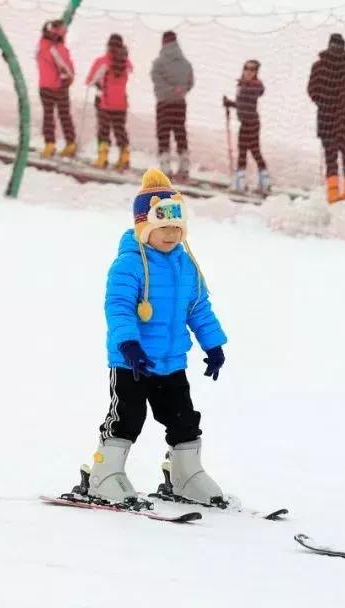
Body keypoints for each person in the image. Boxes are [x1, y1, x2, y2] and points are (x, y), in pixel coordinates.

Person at [86, 167, 230, 507]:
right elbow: (118, 307)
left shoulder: (186, 266)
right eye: (162, 227)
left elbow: (199, 308)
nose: (170, 235)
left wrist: (213, 343)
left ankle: (186, 474)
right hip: (132, 362)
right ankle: (104, 474)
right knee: (127, 417)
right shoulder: (128, 265)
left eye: (176, 228)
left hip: (172, 362)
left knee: (183, 417)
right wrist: (128, 343)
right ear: (143, 228)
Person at [307, 33, 345, 203]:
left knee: (330, 157)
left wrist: (323, 102)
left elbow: (311, 90)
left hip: (326, 118)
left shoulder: (318, 66)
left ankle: (333, 196)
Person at [151, 31, 194, 180]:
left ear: (163, 42)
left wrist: (169, 91)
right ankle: (184, 166)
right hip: (180, 103)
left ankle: (165, 166)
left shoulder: (158, 63)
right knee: (180, 133)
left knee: (163, 133)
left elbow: (156, 80)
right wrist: (180, 91)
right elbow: (190, 83)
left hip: (164, 103)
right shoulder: (186, 63)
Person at [86, 34, 133, 171]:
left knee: (103, 130)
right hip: (121, 102)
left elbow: (91, 80)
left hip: (104, 102)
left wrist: (96, 84)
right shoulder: (126, 63)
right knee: (120, 130)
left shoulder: (103, 61)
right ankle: (124, 158)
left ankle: (102, 158)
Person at [224, 59, 270, 194]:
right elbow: (242, 104)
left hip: (251, 123)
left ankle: (258, 181)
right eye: (247, 69)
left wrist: (232, 103)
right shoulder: (245, 85)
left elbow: (246, 102)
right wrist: (230, 103)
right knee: (245, 151)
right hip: (246, 123)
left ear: (256, 72)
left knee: (253, 151)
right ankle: (245, 181)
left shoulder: (253, 86)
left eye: (252, 70)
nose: (249, 72)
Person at [36, 19, 76, 159]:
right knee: (64, 115)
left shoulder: (41, 44)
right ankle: (70, 143)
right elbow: (68, 69)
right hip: (58, 87)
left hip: (44, 85)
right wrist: (69, 80)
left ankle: (50, 144)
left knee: (48, 115)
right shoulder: (57, 48)